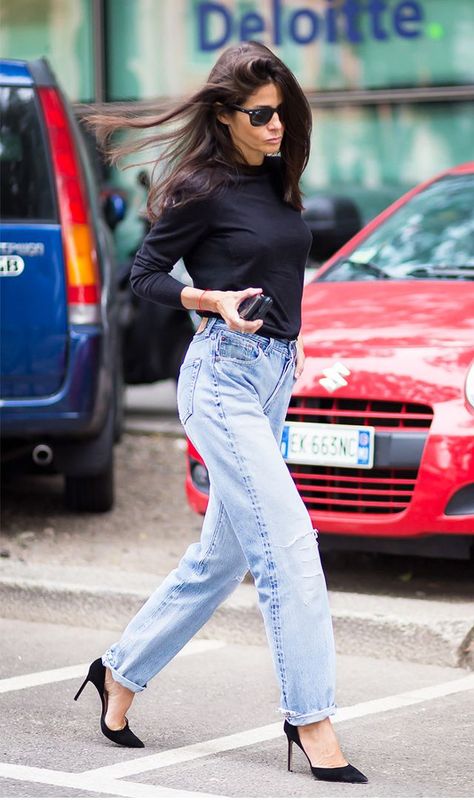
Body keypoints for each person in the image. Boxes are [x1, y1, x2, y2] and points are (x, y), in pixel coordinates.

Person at [75, 41, 368, 785]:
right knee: (290, 548)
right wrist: (210, 301)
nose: (277, 127)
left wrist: (291, 339)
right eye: (262, 115)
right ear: (226, 115)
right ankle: (310, 718)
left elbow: (277, 265)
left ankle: (120, 672)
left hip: (273, 378)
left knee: (222, 557)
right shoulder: (200, 187)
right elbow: (141, 276)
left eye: (284, 112)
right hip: (221, 379)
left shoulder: (275, 180)